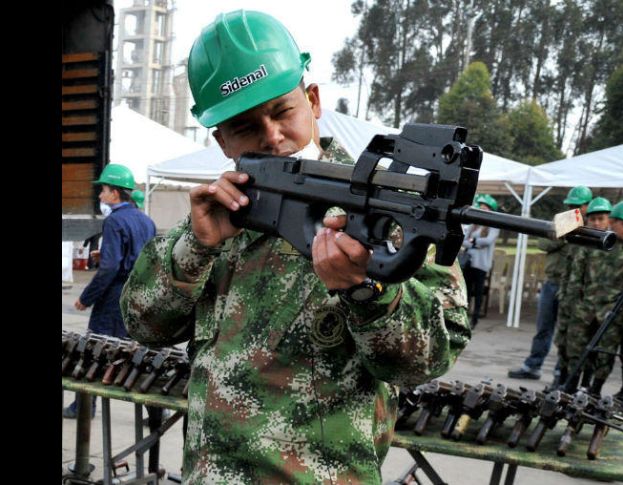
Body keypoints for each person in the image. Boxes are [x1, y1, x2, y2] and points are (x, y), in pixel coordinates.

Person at [119, 10, 470, 484]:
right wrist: (194, 248)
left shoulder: (387, 212)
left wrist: (365, 292)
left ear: (313, 100)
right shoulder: (226, 215)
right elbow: (144, 325)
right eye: (245, 127)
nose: (273, 136)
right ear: (221, 140)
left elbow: (424, 360)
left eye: (282, 111)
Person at [63, 164, 157, 419]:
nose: (101, 196)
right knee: (137, 353)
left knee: (93, 350)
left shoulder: (114, 221)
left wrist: (86, 297)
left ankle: (83, 407)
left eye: (103, 190)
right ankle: (155, 409)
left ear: (115, 193)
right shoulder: (146, 221)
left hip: (113, 296)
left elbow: (110, 267)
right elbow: (142, 257)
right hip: (137, 295)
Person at [508, 185, 592, 381]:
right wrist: (564, 237)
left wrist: (563, 235)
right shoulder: (563, 220)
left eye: (578, 205)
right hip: (551, 281)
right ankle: (532, 366)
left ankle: (560, 371)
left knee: (567, 331)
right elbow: (543, 243)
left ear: (587, 206)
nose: (574, 209)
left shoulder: (590, 226)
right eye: (571, 205)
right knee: (544, 327)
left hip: (571, 285)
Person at [580, 199, 623, 398]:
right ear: (613, 222)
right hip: (593, 309)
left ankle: (611, 389)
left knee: (618, 353)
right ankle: (586, 385)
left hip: (621, 313)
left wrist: (621, 312)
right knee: (590, 349)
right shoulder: (600, 245)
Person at [561, 196, 614, 391]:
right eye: (593, 219)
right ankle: (569, 384)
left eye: (602, 219)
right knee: (572, 348)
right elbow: (572, 275)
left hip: (604, 309)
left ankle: (589, 387)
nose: (597, 223)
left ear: (609, 219)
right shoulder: (580, 242)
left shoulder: (614, 245)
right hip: (580, 307)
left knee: (598, 352)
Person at [461, 194, 501, 328]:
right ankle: (463, 315)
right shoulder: (474, 224)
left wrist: (473, 241)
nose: (482, 210)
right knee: (466, 289)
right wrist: (475, 243)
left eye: (485, 208)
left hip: (481, 264)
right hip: (469, 262)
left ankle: (475, 317)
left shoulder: (493, 226)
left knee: (478, 291)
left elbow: (488, 241)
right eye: (481, 207)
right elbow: (464, 240)